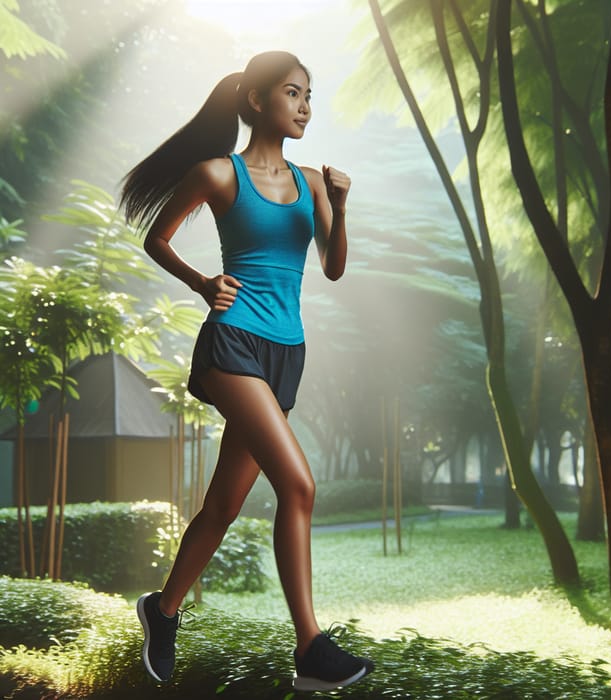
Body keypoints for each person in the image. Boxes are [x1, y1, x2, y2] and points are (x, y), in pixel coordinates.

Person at [119, 50, 374, 692]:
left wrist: (341, 208)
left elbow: (334, 267)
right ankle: (311, 646)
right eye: (293, 93)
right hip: (233, 344)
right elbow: (158, 237)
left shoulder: (313, 181)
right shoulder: (218, 173)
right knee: (300, 485)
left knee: (224, 505)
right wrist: (204, 283)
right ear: (257, 101)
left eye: (309, 96)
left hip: (286, 351)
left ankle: (162, 609)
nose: (305, 106)